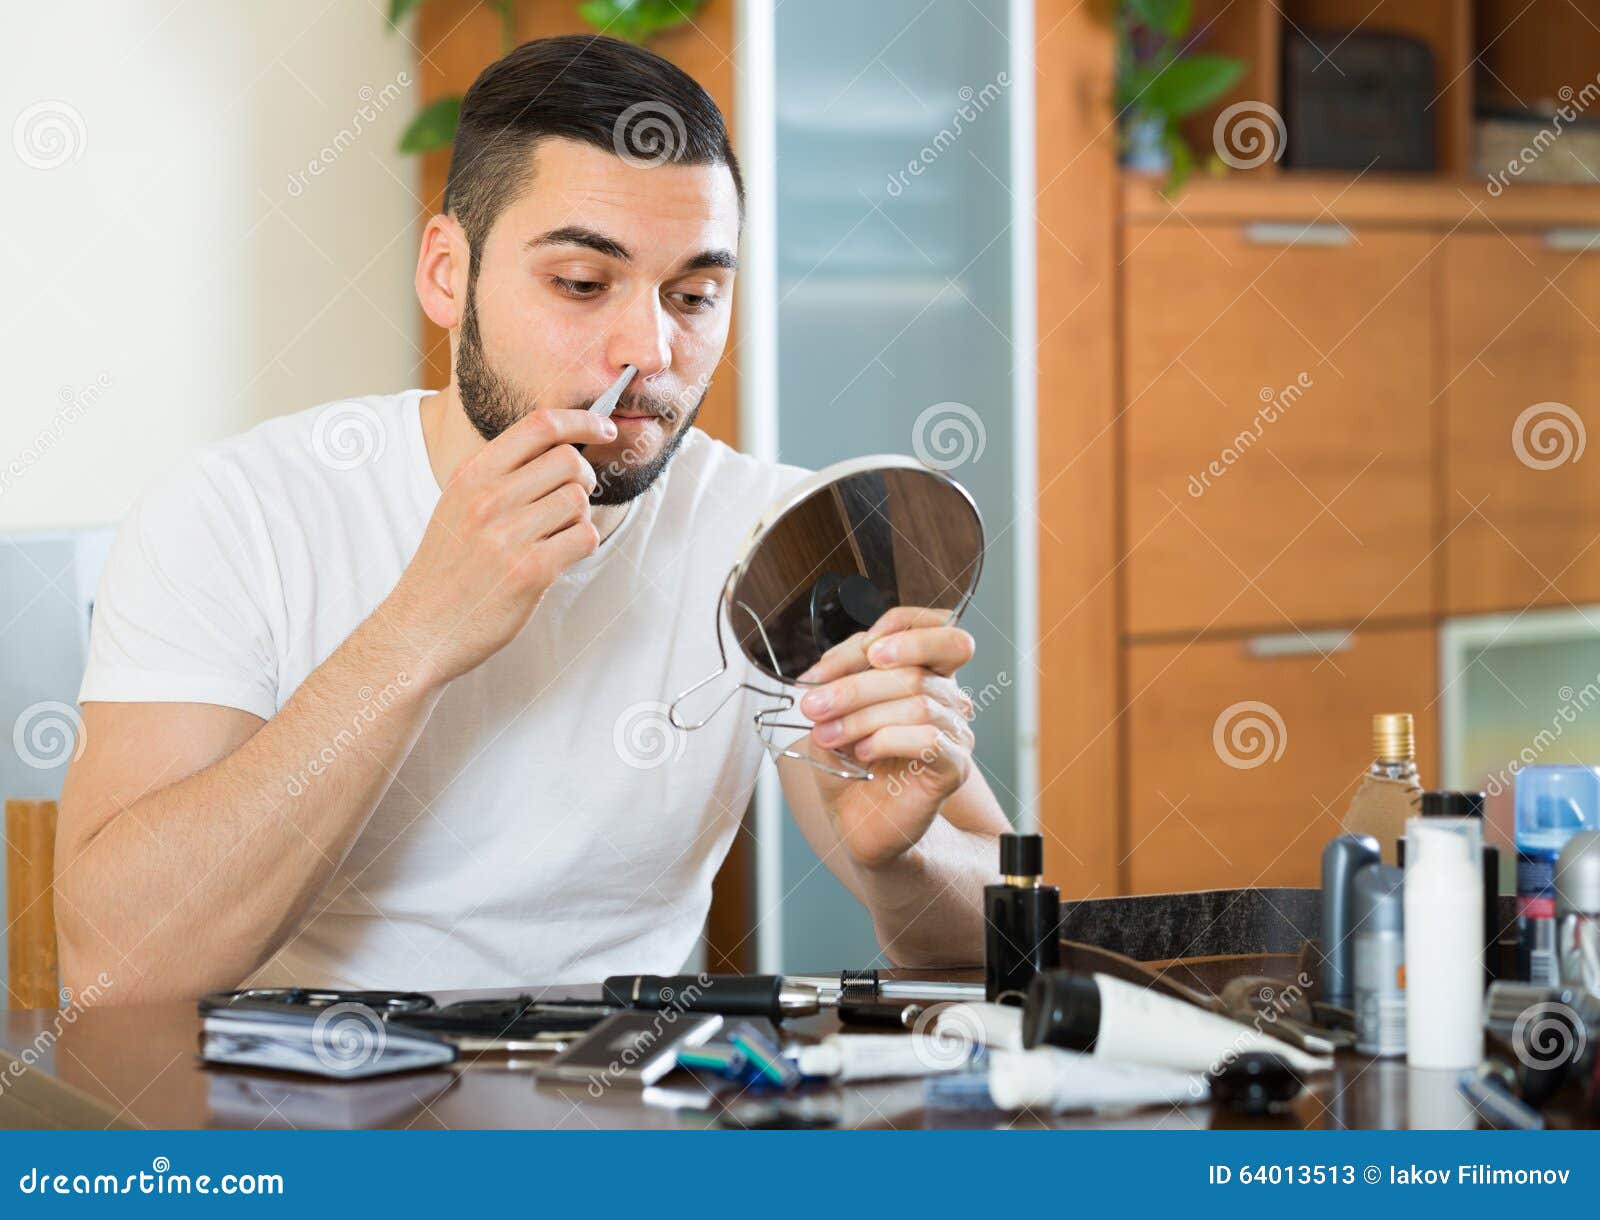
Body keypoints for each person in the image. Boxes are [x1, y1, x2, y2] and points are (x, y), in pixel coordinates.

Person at [56, 34, 1008, 1002]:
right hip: (284, 1116)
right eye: (582, 285)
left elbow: (1011, 944)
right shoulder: (239, 510)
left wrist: (908, 855)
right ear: (446, 274)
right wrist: (417, 632)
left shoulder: (781, 534)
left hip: (614, 1109)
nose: (650, 345)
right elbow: (111, 965)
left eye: (694, 295)